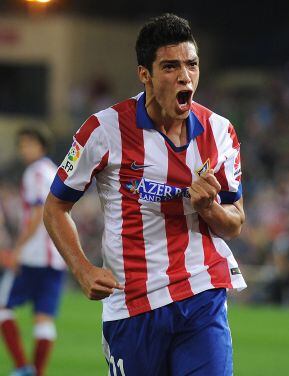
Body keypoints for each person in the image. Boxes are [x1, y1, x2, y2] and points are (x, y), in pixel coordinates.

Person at [44, 13, 246, 375]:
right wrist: (83, 269)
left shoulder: (219, 132)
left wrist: (210, 209)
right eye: (170, 66)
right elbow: (55, 208)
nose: (185, 76)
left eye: (192, 64)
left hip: (202, 291)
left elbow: (234, 223)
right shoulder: (103, 130)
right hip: (132, 304)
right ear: (145, 74)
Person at [0, 128, 65, 376]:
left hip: (34, 255)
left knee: (3, 307)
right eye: (22, 145)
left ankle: (22, 367)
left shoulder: (35, 173)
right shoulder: (55, 171)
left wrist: (17, 249)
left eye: (29, 144)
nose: (24, 149)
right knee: (44, 318)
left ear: (41, 146)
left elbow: (38, 213)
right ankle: (36, 372)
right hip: (56, 256)